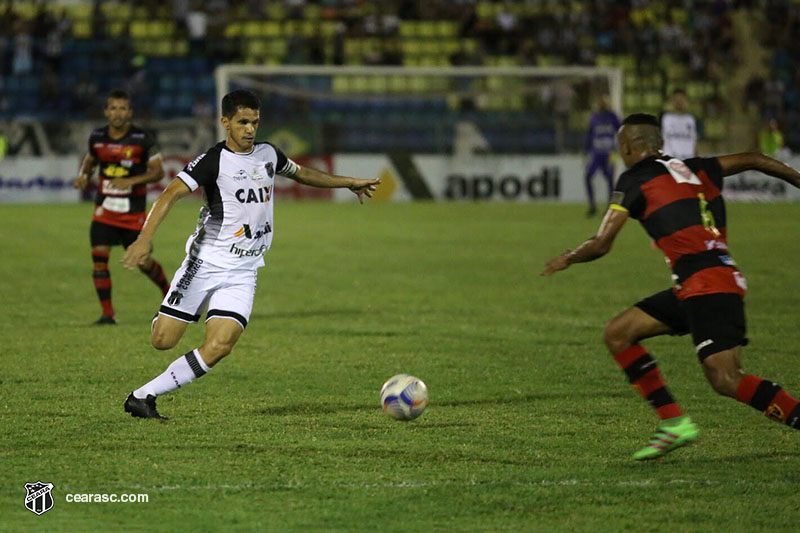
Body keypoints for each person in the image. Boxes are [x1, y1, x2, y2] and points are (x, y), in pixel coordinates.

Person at [542, 113, 800, 460]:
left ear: (630, 146)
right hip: (697, 284)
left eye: (622, 146)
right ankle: (674, 423)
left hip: (708, 285)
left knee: (725, 378)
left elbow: (602, 242)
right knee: (619, 333)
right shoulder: (697, 167)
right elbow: (754, 157)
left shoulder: (634, 180)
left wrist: (569, 257)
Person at [120, 90, 380, 420]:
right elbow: (170, 194)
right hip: (205, 263)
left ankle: (144, 396)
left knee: (220, 346)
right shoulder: (213, 160)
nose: (250, 129)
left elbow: (301, 173)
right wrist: (144, 240)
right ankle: (180, 307)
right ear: (225, 123)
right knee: (162, 340)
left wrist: (347, 183)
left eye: (255, 122)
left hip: (244, 270)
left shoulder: (268, 154)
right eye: (243, 122)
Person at [74, 89, 169, 325]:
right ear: (107, 111)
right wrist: (84, 175)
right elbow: (90, 161)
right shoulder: (97, 137)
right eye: (113, 108)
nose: (118, 113)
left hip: (133, 214)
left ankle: (169, 294)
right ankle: (108, 314)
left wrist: (131, 181)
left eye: (122, 108)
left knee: (144, 263)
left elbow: (158, 172)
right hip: (104, 212)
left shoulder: (142, 139)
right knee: (99, 258)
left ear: (130, 112)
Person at [583, 94, 620, 216]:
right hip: (596, 153)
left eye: (605, 101)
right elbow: (589, 135)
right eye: (601, 101)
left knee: (610, 178)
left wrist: (619, 148)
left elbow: (621, 132)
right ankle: (592, 205)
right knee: (588, 176)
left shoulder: (613, 117)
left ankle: (610, 207)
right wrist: (586, 151)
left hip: (610, 153)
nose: (602, 104)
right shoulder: (594, 118)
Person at [660, 88, 698, 160]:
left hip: (688, 159)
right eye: (676, 100)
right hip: (671, 160)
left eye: (682, 100)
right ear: (671, 101)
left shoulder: (690, 119)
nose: (679, 103)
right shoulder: (666, 118)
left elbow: (694, 141)